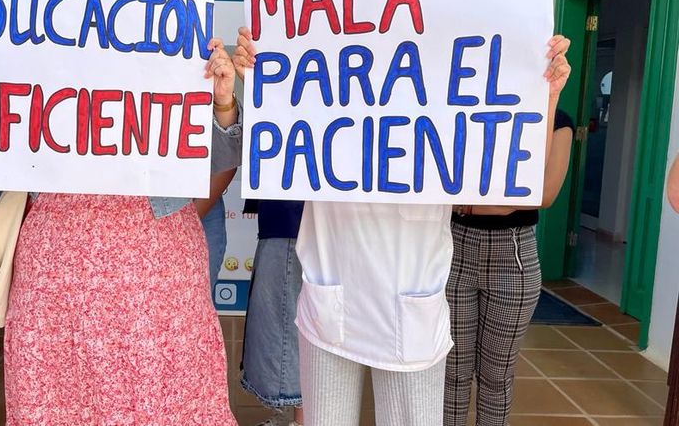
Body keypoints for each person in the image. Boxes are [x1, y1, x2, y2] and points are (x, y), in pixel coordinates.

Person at [233, 27, 571, 426]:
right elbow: (277, 152)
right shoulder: (323, 113)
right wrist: (265, 85)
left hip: (411, 315)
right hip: (330, 308)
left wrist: (544, 97)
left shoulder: (445, 125)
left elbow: (518, 191)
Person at [0, 35, 241, 423]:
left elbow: (223, 158)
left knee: (164, 396)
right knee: (61, 399)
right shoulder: (41, 85)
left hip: (158, 274)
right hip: (56, 279)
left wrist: (223, 104)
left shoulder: (168, 81)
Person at [444, 103, 574, 423]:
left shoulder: (557, 120)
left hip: (512, 254)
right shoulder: (463, 106)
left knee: (496, 374)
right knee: (452, 371)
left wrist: (467, 205)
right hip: (453, 246)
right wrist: (494, 204)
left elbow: (542, 194)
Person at [239, 200, 305, 426]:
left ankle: (300, 420)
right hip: (285, 214)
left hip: (293, 217)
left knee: (286, 321)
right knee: (283, 320)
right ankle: (294, 416)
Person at [198, 169, 238, 294]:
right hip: (142, 201)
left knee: (194, 300)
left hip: (200, 200)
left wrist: (188, 222)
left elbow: (227, 162)